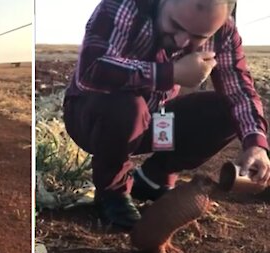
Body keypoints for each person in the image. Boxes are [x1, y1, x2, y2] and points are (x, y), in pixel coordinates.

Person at [63, 0, 270, 228]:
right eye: (175, 25)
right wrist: (169, 73)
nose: (182, 41)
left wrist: (255, 145)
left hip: (156, 120)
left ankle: (153, 178)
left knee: (225, 111)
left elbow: (239, 92)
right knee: (128, 106)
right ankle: (112, 193)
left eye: (198, 36)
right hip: (93, 117)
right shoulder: (123, 7)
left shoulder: (223, 32)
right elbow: (92, 71)